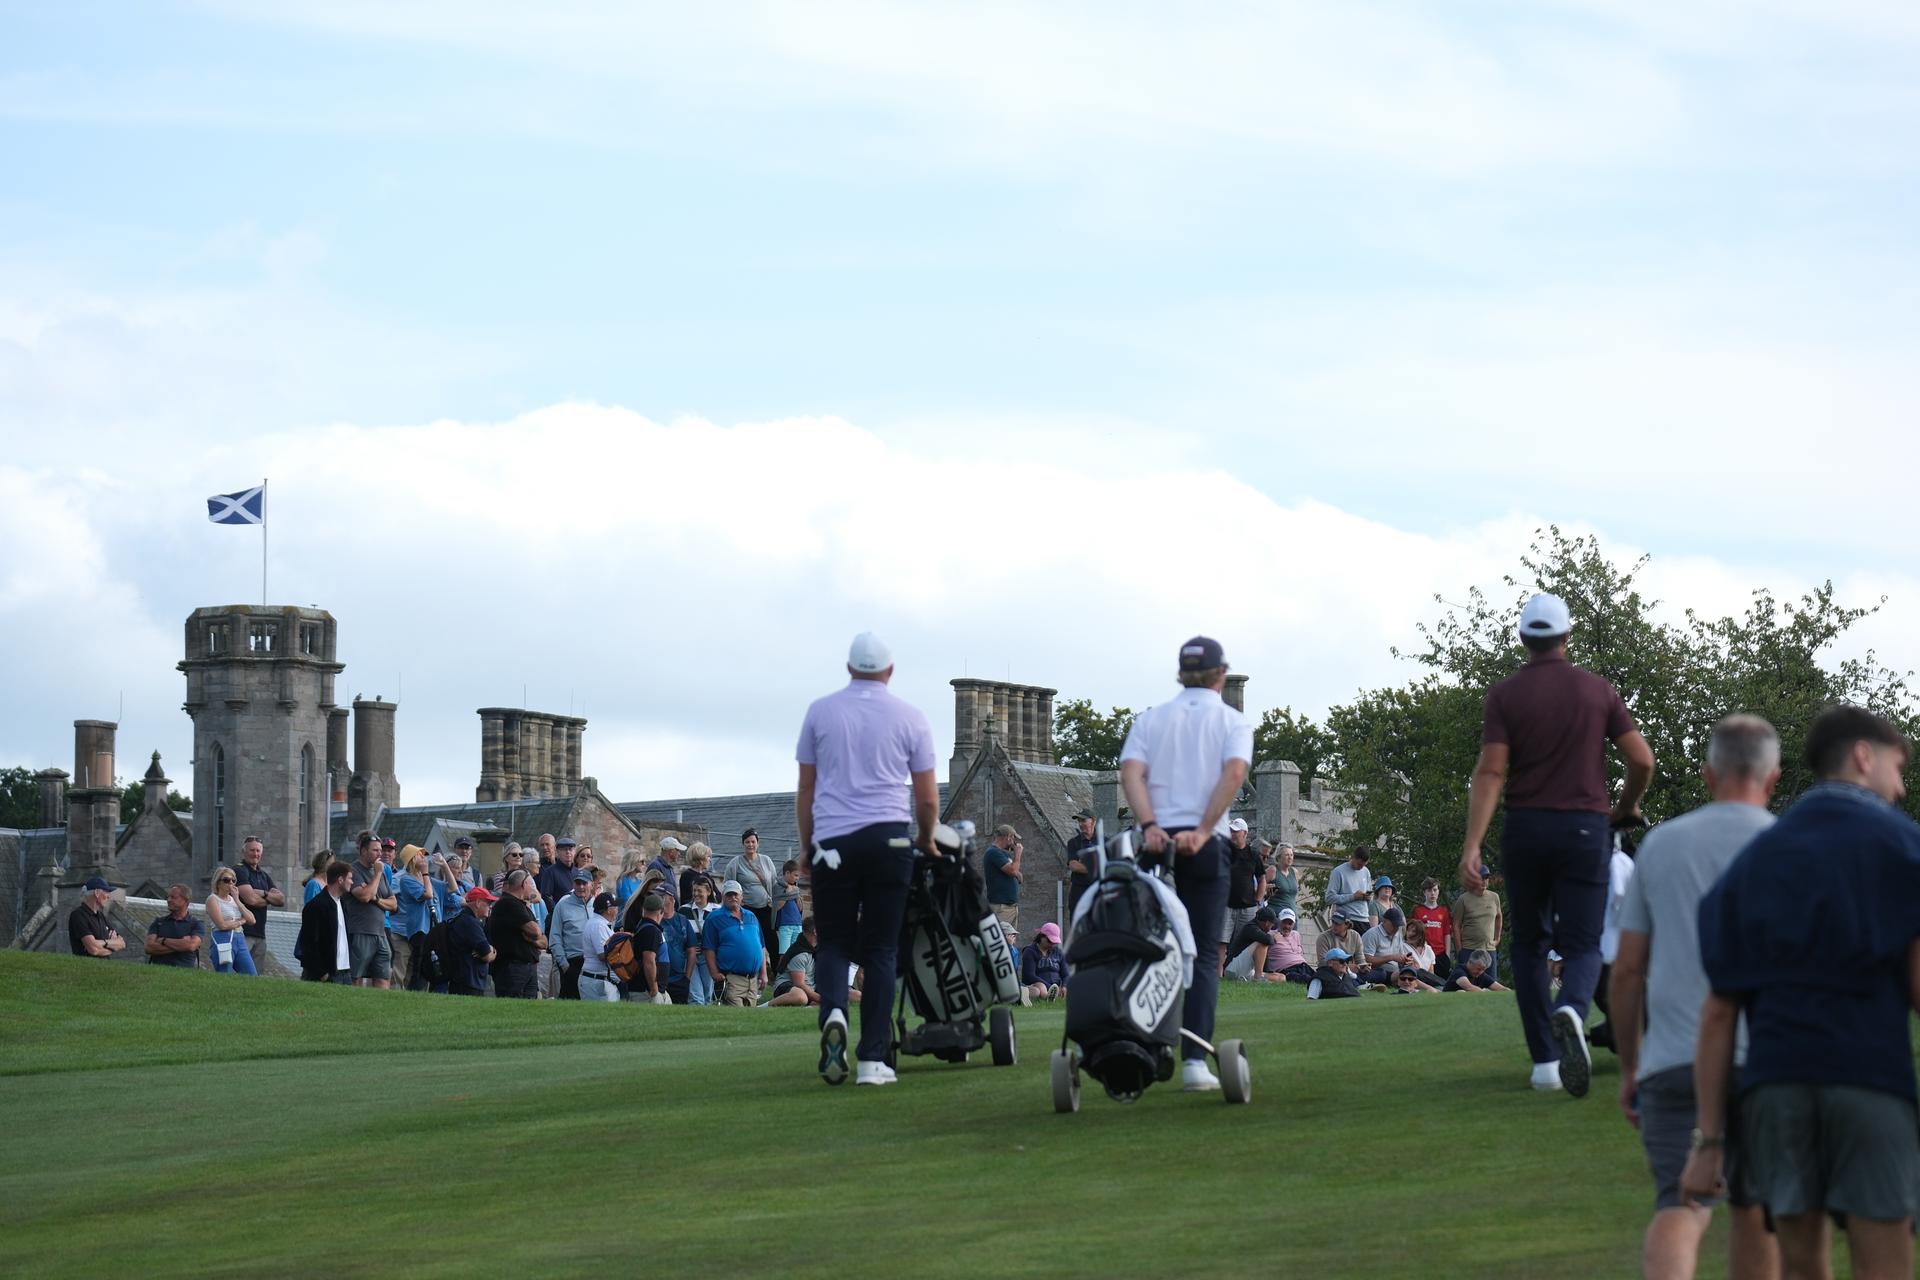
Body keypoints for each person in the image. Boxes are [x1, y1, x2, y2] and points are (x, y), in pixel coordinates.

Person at [1684, 705, 1920, 1279]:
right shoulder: (1904, 846)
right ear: (1865, 757)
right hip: (1869, 1077)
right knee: (1883, 1258)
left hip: (1776, 1085)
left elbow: (1719, 1013)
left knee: (1799, 1264)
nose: (1903, 784)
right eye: (1898, 766)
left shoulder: (1753, 861)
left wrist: (1710, 1139)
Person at [1459, 591, 1655, 1097]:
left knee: (1528, 944)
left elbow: (1492, 771)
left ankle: (1545, 1062)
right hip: (1587, 829)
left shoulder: (1505, 695)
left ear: (1524, 638)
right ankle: (1571, 1004)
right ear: (1567, 637)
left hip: (1526, 828)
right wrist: (1626, 807)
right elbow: (1642, 760)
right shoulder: (1598, 690)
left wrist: (1472, 845)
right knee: (1584, 943)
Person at [1608, 715, 1780, 1280]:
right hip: (1768, 1060)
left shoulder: (1661, 845)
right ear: (1773, 778)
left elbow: (1629, 970)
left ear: (1708, 775)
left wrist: (1631, 1065)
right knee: (1758, 1212)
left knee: (1681, 1205)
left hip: (1674, 1059)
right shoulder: (1788, 845)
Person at [795, 630, 939, 1086]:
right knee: (880, 949)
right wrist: (928, 839)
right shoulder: (911, 716)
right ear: (890, 671)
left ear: (849, 668)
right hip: (889, 841)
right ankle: (873, 1059)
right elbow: (927, 799)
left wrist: (806, 845)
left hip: (833, 842)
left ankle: (835, 1011)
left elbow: (806, 790)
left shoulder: (820, 711)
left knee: (835, 941)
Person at [1118, 635, 1255, 1092]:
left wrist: (1151, 825)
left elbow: (1131, 773)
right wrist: (1202, 827)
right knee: (1199, 953)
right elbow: (1234, 774)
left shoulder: (1152, 719)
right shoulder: (1231, 721)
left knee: (1141, 941)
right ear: (1220, 675)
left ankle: (1134, 1044)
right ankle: (1194, 1061)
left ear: (1181, 674)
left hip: (1155, 840)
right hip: (1206, 844)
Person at [703, 880, 767, 1007]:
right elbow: (708, 948)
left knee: (750, 1021)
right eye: (729, 895)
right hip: (732, 978)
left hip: (752, 980)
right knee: (737, 1017)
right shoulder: (714, 919)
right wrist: (714, 973)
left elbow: (761, 946)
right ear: (723, 897)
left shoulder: (751, 916)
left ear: (741, 896)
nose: (733, 897)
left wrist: (763, 973)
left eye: (736, 894)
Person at [346, 831, 397, 988]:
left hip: (381, 934)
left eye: (380, 850)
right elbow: (365, 896)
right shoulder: (354, 870)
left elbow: (394, 904)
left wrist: (377, 900)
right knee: (357, 977)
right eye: (375, 850)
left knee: (383, 976)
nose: (380, 854)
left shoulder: (380, 875)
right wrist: (378, 873)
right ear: (363, 850)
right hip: (360, 932)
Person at [486, 869, 546, 998]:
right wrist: (535, 937)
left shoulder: (524, 907)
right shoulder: (507, 903)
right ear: (524, 885)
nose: (533, 889)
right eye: (531, 885)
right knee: (511, 1011)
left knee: (528, 1013)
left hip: (528, 966)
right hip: (512, 968)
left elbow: (544, 941)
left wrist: (532, 940)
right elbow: (535, 931)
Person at [231, 835, 284, 972]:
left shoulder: (264, 875)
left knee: (256, 977)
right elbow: (251, 900)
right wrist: (269, 898)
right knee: (241, 973)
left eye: (258, 851)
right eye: (252, 850)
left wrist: (263, 893)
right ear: (244, 852)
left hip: (260, 934)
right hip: (243, 932)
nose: (255, 854)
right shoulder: (238, 870)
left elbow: (281, 900)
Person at [296, 861, 353, 983]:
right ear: (340, 880)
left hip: (345, 973)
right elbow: (309, 943)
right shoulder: (316, 906)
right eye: (350, 878)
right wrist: (322, 974)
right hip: (327, 975)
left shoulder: (343, 904)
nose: (352, 882)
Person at [728, 829, 780, 964]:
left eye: (753, 842)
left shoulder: (766, 860)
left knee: (772, 940)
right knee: (750, 940)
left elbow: (775, 882)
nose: (750, 845)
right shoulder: (736, 863)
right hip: (747, 909)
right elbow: (729, 885)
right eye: (747, 842)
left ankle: (778, 972)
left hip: (766, 907)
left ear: (758, 843)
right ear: (743, 844)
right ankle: (752, 968)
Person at [1223, 818, 1265, 973]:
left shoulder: (1253, 854)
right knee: (1221, 941)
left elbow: (1262, 879)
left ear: (1245, 833)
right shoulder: (1224, 852)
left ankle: (1243, 973)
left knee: (1245, 941)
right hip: (1226, 905)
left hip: (1248, 906)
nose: (1232, 834)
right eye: (1231, 831)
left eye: (1236, 831)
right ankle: (1219, 974)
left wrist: (1258, 900)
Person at [392, 847, 437, 990]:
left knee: (414, 970)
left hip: (421, 929)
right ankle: (394, 998)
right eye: (419, 855)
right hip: (403, 930)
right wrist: (425, 873)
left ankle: (410, 998)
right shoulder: (401, 879)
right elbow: (428, 895)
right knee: (400, 969)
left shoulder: (424, 878)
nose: (424, 858)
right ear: (411, 859)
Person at [549, 868, 596, 1000]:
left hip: (594, 963)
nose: (581, 887)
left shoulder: (598, 905)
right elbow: (555, 937)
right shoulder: (563, 905)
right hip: (572, 962)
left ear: (591, 884)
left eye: (584, 883)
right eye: (577, 883)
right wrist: (564, 965)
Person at [445, 887, 498, 996]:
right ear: (478, 902)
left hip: (465, 981)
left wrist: (490, 949)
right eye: (488, 903)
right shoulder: (470, 923)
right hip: (468, 983)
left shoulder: (465, 919)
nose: (490, 907)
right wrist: (494, 950)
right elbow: (487, 956)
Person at [205, 868, 258, 975]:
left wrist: (237, 900)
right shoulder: (213, 899)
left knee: (251, 975)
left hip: (240, 938)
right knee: (225, 973)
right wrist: (241, 921)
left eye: (233, 880)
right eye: (226, 880)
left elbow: (252, 920)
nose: (230, 883)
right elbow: (222, 925)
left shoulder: (233, 899)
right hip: (223, 937)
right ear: (218, 883)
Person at [619, 893, 670, 1004]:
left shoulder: (643, 926)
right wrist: (654, 989)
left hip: (654, 990)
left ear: (644, 909)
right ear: (661, 911)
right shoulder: (651, 931)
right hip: (647, 992)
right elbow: (649, 961)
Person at [578, 892, 624, 1003]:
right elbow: (603, 955)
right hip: (597, 981)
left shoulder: (600, 923)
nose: (617, 910)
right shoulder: (598, 925)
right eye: (615, 907)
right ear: (608, 910)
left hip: (600, 980)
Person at [680, 875, 719, 1005]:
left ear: (708, 892)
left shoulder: (717, 910)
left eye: (699, 891)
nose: (696, 894)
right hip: (691, 956)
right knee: (695, 994)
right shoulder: (684, 910)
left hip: (709, 957)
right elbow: (679, 933)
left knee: (708, 993)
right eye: (694, 890)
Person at [144, 884, 203, 968]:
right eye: (168, 897)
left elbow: (191, 945)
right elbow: (149, 947)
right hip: (159, 973)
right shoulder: (158, 922)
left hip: (184, 975)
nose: (169, 900)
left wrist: (163, 941)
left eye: (173, 897)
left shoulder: (196, 924)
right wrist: (182, 945)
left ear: (186, 901)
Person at [769, 917, 822, 1007]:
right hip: (788, 986)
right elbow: (799, 983)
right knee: (800, 997)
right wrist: (819, 997)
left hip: (808, 988)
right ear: (815, 931)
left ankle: (808, 1007)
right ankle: (766, 1006)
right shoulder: (800, 953)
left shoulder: (817, 950)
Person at [67, 876, 124, 958]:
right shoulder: (78, 915)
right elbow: (93, 949)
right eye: (106, 891)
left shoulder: (101, 916)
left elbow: (122, 943)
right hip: (86, 968)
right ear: (97, 893)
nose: (109, 896)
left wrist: (102, 943)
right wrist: (111, 945)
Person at [1410, 878, 1454, 979]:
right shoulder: (1418, 910)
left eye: (1435, 890)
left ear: (1438, 891)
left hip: (1441, 954)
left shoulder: (1444, 911)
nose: (1432, 893)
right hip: (1424, 953)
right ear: (1424, 892)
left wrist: (1447, 954)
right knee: (1427, 981)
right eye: (1429, 890)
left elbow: (1447, 934)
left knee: (1443, 984)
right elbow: (1413, 933)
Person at [1358, 907, 1415, 986]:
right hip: (1378, 971)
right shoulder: (1372, 934)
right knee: (1407, 973)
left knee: (1414, 969)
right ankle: (1429, 987)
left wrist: (1405, 959)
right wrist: (1391, 957)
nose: (1396, 928)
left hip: (1394, 969)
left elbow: (1400, 955)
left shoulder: (1398, 933)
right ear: (1384, 921)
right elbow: (1366, 961)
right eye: (1394, 925)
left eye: (1398, 925)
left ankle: (1435, 985)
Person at [983, 825, 1024, 934]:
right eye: (1014, 838)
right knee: (1003, 940)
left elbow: (1016, 873)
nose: (1015, 842)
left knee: (1011, 942)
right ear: (1009, 837)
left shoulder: (1003, 854)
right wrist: (1018, 854)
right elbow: (1012, 871)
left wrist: (1016, 873)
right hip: (1001, 907)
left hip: (1011, 907)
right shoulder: (993, 852)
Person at [1326, 847, 1375, 935]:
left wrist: (1368, 897)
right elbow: (1329, 898)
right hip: (1346, 919)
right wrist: (1353, 897)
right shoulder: (1338, 872)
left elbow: (1369, 893)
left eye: (1364, 865)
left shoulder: (1366, 872)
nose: (1361, 868)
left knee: (1363, 948)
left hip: (1363, 919)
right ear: (1353, 857)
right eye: (1359, 864)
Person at [1020, 921, 1068, 1002]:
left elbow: (1066, 974)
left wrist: (1064, 986)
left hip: (1057, 987)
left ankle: (1053, 995)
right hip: (1037, 985)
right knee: (1041, 986)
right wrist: (1050, 987)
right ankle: (1048, 997)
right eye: (1050, 941)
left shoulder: (1058, 952)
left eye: (1054, 942)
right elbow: (1029, 975)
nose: (1052, 944)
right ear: (1041, 937)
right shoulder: (1030, 951)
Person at [1264, 909, 1314, 983]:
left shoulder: (1296, 934)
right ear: (1278, 921)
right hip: (1286, 969)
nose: (1287, 926)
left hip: (1303, 966)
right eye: (1284, 922)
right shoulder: (1270, 935)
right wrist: (1272, 940)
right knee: (1309, 980)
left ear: (1294, 924)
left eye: (1290, 923)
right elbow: (1262, 953)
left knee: (1320, 976)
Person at [1065, 809, 1099, 913]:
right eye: (1079, 821)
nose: (1080, 824)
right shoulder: (1073, 843)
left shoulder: (1105, 842)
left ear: (1093, 821)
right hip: (1079, 894)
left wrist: (1084, 864)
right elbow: (1074, 866)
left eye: (1083, 821)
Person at [774, 859, 804, 958]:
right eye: (795, 875)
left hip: (797, 924)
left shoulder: (796, 889)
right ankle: (781, 973)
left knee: (796, 954)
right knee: (784, 953)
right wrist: (787, 894)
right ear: (787, 873)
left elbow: (800, 909)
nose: (797, 878)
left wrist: (796, 895)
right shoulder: (778, 886)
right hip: (785, 925)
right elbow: (777, 906)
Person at [536, 835, 577, 909]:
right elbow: (546, 896)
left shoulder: (577, 871)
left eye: (570, 849)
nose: (568, 852)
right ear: (557, 852)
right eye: (564, 849)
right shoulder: (550, 872)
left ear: (574, 852)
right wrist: (558, 911)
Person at [1267, 843, 1299, 919]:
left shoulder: (1295, 872)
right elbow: (1260, 887)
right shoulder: (1272, 870)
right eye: (1287, 855)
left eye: (1291, 855)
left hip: (1292, 916)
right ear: (1279, 857)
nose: (1290, 857)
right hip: (1276, 915)